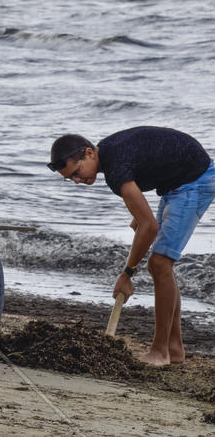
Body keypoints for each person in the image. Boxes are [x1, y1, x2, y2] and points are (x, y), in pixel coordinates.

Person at [47, 126, 215, 366]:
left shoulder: (115, 167)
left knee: (159, 264)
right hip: (175, 182)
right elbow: (145, 166)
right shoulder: (108, 155)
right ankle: (174, 349)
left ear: (88, 153)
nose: (76, 181)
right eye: (70, 179)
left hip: (194, 182)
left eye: (76, 172)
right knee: (160, 266)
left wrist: (126, 274)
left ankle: (160, 353)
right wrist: (140, 217)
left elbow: (149, 226)